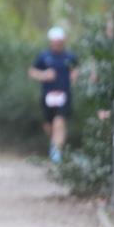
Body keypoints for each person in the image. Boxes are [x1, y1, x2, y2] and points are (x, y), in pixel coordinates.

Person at [29, 26, 78, 163]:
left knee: (59, 122)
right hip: (48, 96)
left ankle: (57, 154)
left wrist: (74, 77)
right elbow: (32, 71)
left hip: (64, 95)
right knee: (49, 126)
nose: (57, 43)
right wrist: (44, 75)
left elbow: (76, 71)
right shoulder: (44, 57)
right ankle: (54, 145)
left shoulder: (70, 57)